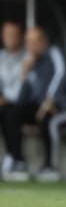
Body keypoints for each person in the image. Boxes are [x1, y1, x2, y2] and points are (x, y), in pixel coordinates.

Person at [1, 27, 66, 182]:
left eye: (34, 41)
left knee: (48, 120)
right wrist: (24, 74)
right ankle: (17, 161)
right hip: (40, 107)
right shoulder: (32, 64)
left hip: (64, 106)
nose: (30, 45)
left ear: (43, 41)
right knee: (10, 112)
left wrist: (50, 100)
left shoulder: (54, 53)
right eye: (28, 42)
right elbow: (22, 99)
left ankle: (50, 167)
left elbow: (61, 75)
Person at [0, 21, 26, 180]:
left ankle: (16, 158)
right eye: (6, 35)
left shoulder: (29, 57)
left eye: (13, 35)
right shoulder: (1, 57)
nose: (10, 38)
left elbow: (30, 85)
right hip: (3, 102)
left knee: (10, 113)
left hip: (22, 103)